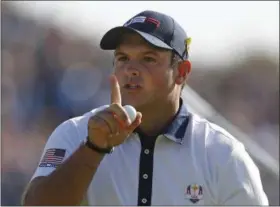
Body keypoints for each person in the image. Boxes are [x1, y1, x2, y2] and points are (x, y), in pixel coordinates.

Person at [22, 10, 268, 206]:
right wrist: (94, 149)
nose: (131, 69)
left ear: (181, 73)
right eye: (123, 59)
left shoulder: (222, 153)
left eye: (148, 59)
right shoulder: (75, 133)